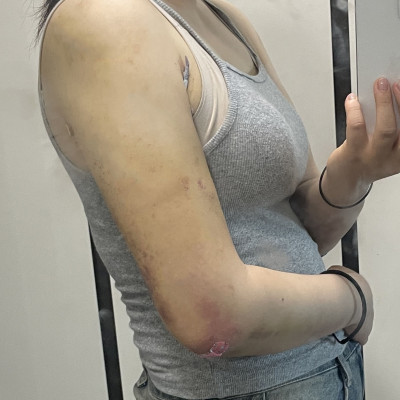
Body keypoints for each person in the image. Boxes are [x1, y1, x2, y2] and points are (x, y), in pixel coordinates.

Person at [35, 0, 400, 398]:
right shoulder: (105, 20)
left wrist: (355, 173)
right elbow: (210, 317)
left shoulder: (222, 16)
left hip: (328, 372)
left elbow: (293, 231)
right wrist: (353, 299)